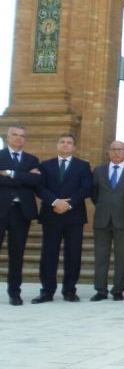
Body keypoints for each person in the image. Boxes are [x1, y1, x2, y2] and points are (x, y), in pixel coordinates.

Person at [33, 134, 92, 304]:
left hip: (74, 216)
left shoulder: (83, 166)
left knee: (73, 254)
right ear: (57, 145)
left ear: (74, 147)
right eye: (62, 142)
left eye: (69, 143)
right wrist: (55, 201)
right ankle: (47, 291)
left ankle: (69, 290)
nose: (66, 145)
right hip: (51, 215)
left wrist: (68, 204)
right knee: (49, 254)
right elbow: (39, 188)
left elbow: (85, 188)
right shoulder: (45, 165)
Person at [0, 126, 41, 306]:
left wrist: (10, 174)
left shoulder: (32, 159)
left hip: (21, 212)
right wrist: (24, 177)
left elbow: (36, 181)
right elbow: (28, 180)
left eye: (22, 136)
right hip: (1, 209)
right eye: (15, 135)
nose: (18, 139)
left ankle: (14, 293)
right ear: (7, 137)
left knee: (17, 254)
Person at [90, 141, 124, 302]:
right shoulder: (99, 171)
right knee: (101, 256)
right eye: (114, 149)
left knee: (122, 257)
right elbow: (94, 194)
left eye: (120, 150)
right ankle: (100, 290)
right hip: (102, 219)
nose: (117, 152)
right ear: (108, 152)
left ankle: (118, 290)